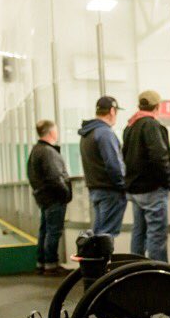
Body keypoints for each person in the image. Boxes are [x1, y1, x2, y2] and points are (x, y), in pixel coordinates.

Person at [123, 90, 170, 262]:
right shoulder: (152, 125)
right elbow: (159, 156)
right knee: (156, 236)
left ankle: (135, 271)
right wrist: (168, 181)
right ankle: (158, 276)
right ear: (157, 106)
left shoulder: (130, 126)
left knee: (138, 233)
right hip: (152, 189)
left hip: (135, 189)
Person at [27, 119, 72, 276]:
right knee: (53, 231)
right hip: (54, 198)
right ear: (52, 132)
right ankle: (51, 264)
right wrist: (66, 193)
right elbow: (55, 177)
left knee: (45, 230)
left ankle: (42, 262)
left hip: (43, 197)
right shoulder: (48, 152)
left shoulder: (36, 150)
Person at [78, 96, 127, 238]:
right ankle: (102, 260)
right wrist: (123, 185)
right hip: (110, 191)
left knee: (98, 233)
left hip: (95, 189)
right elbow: (114, 164)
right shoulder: (105, 133)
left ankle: (96, 260)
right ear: (112, 111)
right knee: (106, 236)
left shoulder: (87, 133)